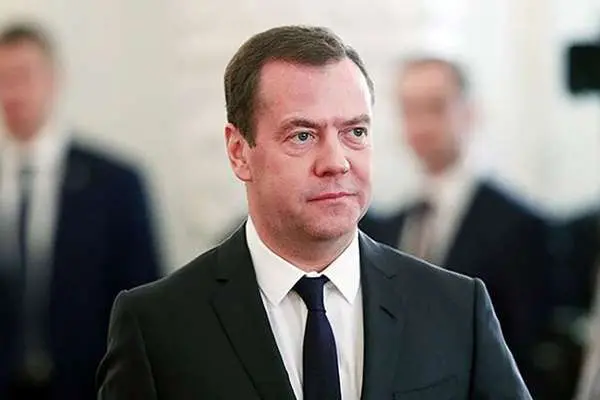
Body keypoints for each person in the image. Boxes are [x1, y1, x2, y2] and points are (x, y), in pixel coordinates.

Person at [96, 25, 531, 399]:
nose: (336, 162)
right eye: (302, 135)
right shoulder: (157, 326)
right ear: (239, 152)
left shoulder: (457, 308)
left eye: (355, 131)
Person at [359, 56, 552, 394]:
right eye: (409, 110)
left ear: (470, 112)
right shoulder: (389, 225)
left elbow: (528, 352)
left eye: (435, 107)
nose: (420, 124)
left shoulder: (518, 225)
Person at [0, 22, 161, 399]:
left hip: (90, 385)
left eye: (23, 76)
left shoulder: (115, 183)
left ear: (53, 80)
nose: (12, 92)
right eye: (3, 79)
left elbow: (144, 300)